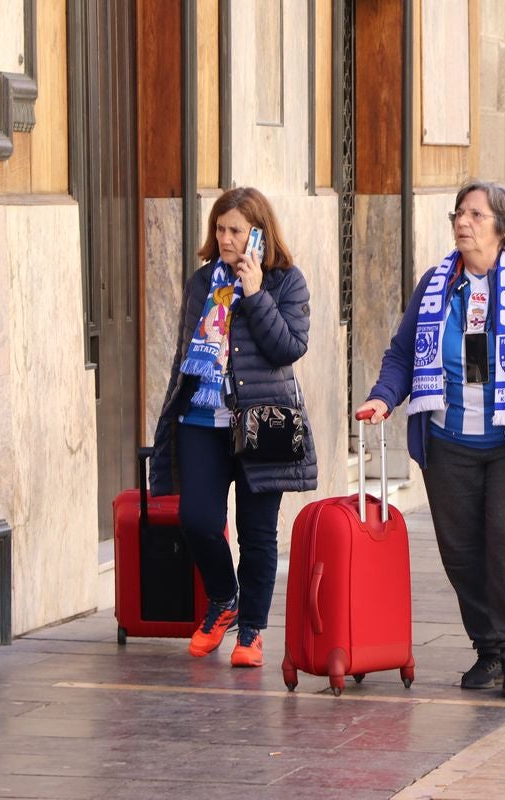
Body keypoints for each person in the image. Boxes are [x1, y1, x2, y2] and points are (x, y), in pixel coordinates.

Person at [355, 180, 505, 698]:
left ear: (502, 228)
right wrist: (382, 398)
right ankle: (486, 649)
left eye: (475, 215)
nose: (463, 223)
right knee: (461, 551)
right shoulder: (437, 284)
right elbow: (401, 354)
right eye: (458, 214)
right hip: (448, 440)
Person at [150, 187, 317, 667]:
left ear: (258, 233)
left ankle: (252, 632)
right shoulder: (201, 283)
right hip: (202, 418)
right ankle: (224, 599)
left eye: (236, 231)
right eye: (220, 229)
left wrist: (255, 292)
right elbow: (184, 353)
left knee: (258, 534)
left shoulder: (287, 283)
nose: (225, 239)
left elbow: (287, 348)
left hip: (261, 422)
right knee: (197, 519)